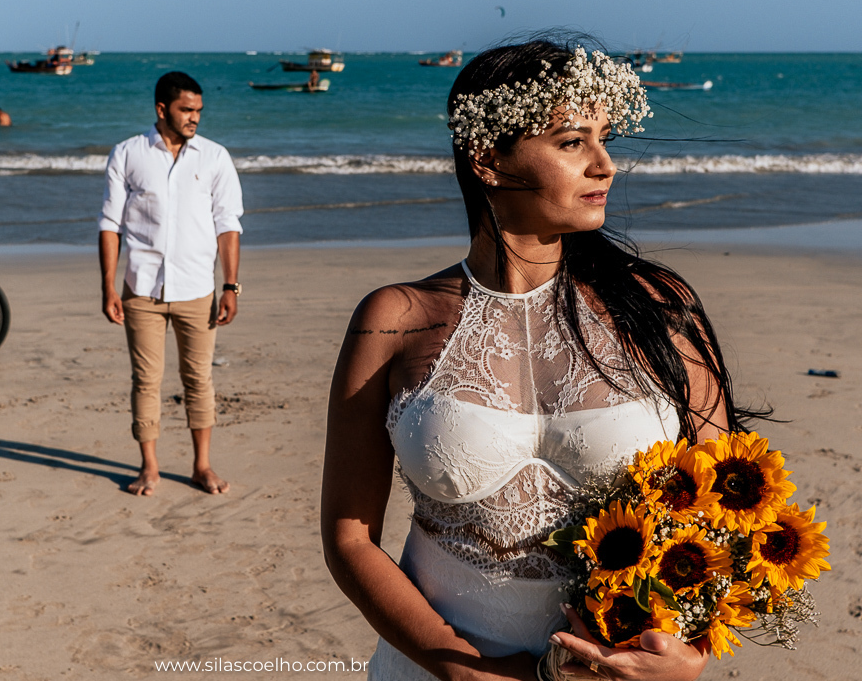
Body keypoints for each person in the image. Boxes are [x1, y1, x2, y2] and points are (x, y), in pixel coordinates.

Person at [321, 37, 766, 681]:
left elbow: (737, 508)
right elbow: (349, 536)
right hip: (433, 668)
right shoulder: (395, 318)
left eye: (606, 139)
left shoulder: (659, 307)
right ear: (488, 159)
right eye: (571, 142)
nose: (605, 165)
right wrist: (469, 671)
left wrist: (689, 656)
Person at [98, 72, 244, 497]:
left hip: (198, 288)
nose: (194, 117)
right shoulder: (127, 154)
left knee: (198, 379)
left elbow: (227, 226)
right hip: (140, 288)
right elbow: (110, 225)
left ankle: (201, 465)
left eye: (198, 110)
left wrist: (231, 286)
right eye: (186, 110)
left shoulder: (215, 157)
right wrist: (108, 286)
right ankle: (149, 467)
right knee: (146, 380)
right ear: (162, 110)